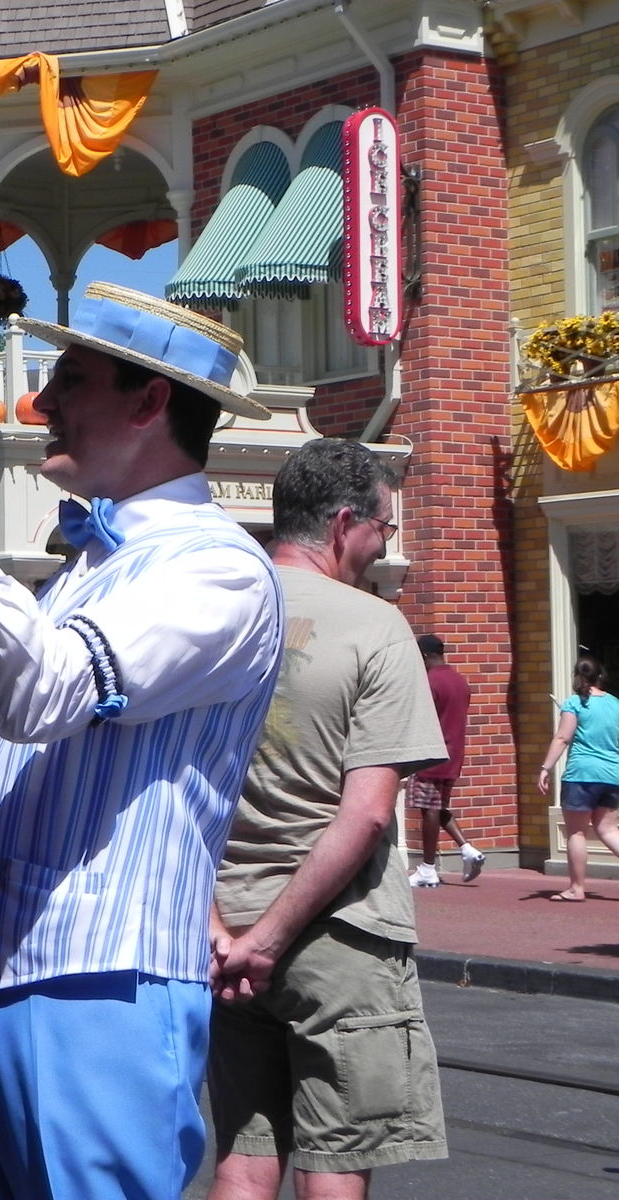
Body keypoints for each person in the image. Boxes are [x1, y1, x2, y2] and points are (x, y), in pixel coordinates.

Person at [0, 283, 284, 1199]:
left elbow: (42, 692)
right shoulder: (91, 566)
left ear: (149, 402)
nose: (41, 400)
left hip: (97, 982)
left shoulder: (217, 568)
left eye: (71, 379)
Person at [207, 438, 448, 1199]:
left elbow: (169, 791)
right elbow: (369, 813)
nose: (384, 546)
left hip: (223, 933)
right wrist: (272, 940)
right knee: (334, 1162)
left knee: (243, 1158)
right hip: (337, 935)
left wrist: (223, 932)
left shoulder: (214, 613)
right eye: (384, 527)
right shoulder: (376, 626)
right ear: (344, 524)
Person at [537, 654, 619, 901]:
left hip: (581, 774)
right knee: (608, 829)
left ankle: (576, 888)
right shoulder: (615, 703)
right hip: (612, 774)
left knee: (576, 832)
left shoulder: (574, 703)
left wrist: (546, 767)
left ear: (577, 676)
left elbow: (563, 738)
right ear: (600, 675)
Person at [408, 633, 486, 887]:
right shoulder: (460, 681)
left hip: (430, 754)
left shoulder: (429, 682)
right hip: (454, 753)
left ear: (424, 655)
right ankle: (467, 849)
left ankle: (427, 868)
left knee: (428, 809)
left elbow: (420, 718)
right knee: (438, 806)